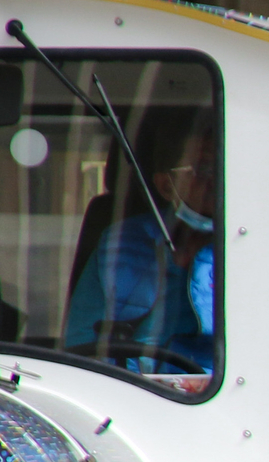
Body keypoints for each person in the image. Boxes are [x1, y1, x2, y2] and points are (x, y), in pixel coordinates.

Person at [62, 123, 222, 377]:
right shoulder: (119, 243)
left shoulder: (249, 247)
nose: (217, 181)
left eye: (223, 169)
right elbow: (83, 345)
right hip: (130, 396)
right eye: (203, 170)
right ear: (166, 185)